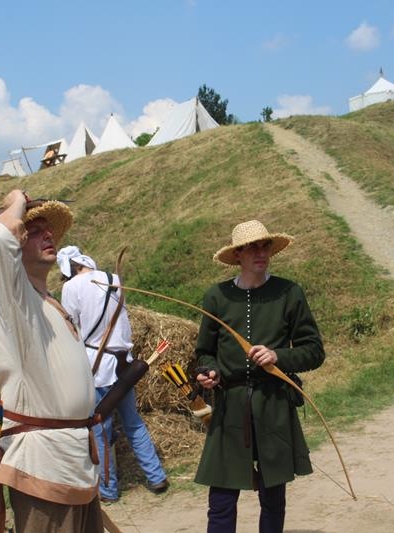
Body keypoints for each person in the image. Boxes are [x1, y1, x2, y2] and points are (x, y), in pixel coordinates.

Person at [0, 189, 103, 532]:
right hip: (44, 463)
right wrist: (16, 201)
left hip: (75, 462)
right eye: (34, 231)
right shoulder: (12, 297)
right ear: (17, 240)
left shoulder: (47, 299)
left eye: (49, 230)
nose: (48, 235)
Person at [194, 219, 325, 533]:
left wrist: (278, 355)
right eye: (252, 247)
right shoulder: (217, 296)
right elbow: (204, 353)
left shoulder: (289, 293)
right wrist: (209, 372)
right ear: (238, 254)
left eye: (265, 246)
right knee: (221, 499)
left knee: (273, 497)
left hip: (274, 404)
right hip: (230, 407)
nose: (261, 253)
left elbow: (314, 351)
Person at [59, 247, 169, 504]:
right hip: (123, 365)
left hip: (97, 367)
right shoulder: (113, 278)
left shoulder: (71, 287)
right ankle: (156, 476)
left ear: (69, 268)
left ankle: (108, 491)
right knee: (133, 422)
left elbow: (70, 328)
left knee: (100, 429)